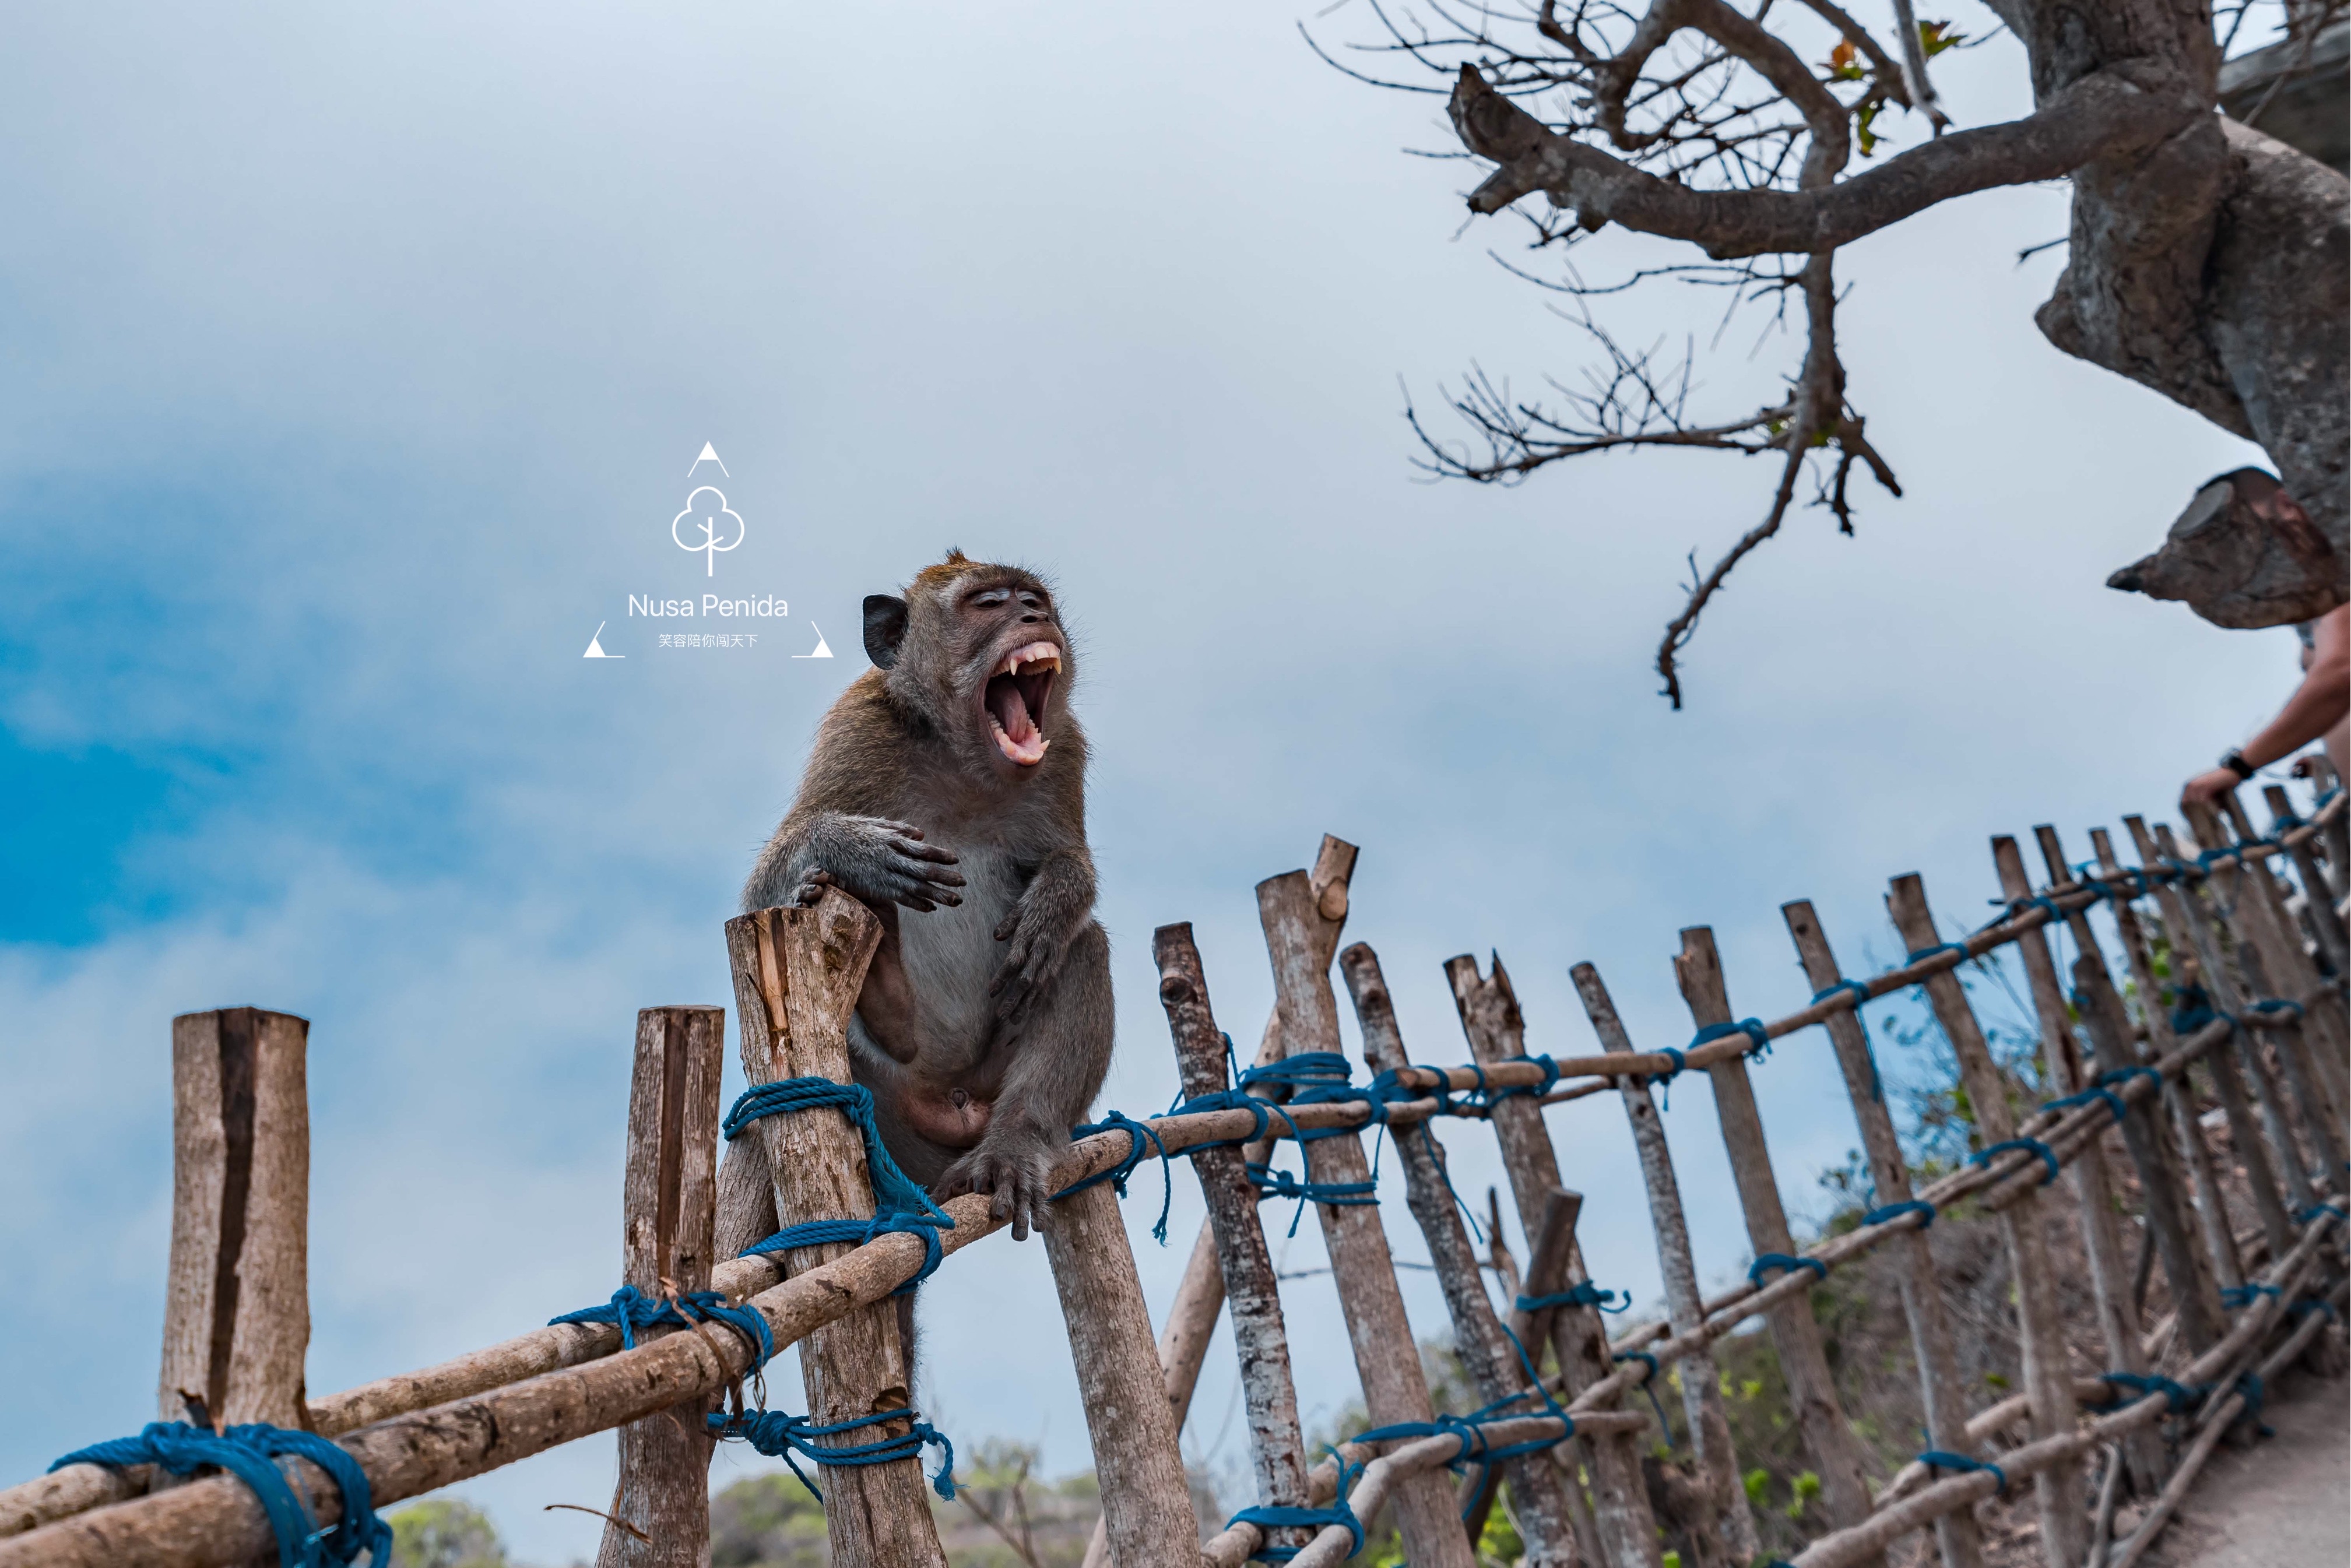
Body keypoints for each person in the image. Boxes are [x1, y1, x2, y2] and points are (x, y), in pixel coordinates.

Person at [2181, 473, 2350, 806]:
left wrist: (2240, 766)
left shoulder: (2339, 570)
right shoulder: (2314, 612)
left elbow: (2340, 674)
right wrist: (2328, 756)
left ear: (2286, 505)